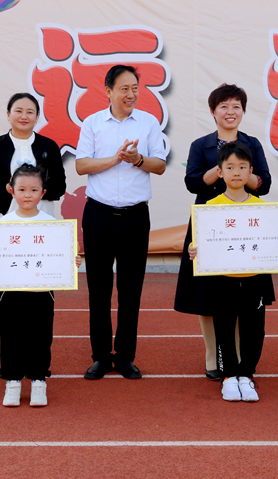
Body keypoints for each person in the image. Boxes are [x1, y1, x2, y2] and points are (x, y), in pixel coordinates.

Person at [174, 83, 271, 380]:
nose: (230, 112)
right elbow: (192, 183)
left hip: (245, 224)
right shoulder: (200, 144)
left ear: (243, 111)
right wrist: (221, 168)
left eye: (236, 107)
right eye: (224, 107)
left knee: (242, 291)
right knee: (208, 293)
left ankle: (239, 356)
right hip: (210, 222)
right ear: (213, 111)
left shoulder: (252, 143)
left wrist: (240, 171)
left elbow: (264, 184)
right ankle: (211, 353)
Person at [75, 64, 166, 380]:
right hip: (98, 215)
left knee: (131, 289)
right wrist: (115, 159)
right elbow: (81, 165)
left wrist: (138, 160)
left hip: (135, 217)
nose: (131, 94)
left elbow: (160, 165)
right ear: (108, 91)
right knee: (98, 290)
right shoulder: (93, 123)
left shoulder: (149, 123)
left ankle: (125, 355)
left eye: (135, 88)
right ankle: (100, 356)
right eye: (124, 88)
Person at [187, 142, 278, 402]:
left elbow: (273, 240)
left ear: (251, 173)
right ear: (220, 172)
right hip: (222, 281)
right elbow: (198, 244)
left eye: (242, 167)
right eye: (230, 167)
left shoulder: (264, 208)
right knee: (223, 327)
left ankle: (246, 374)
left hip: (254, 281)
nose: (236, 172)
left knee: (254, 329)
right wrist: (194, 251)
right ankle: (228, 377)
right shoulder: (210, 207)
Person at [0, 164, 82, 407]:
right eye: (22, 189)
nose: (28, 194)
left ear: (43, 192)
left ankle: (39, 380)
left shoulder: (52, 224)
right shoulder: (3, 224)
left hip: (42, 292)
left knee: (41, 336)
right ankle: (12, 381)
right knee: (11, 334)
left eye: (34, 189)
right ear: (11, 190)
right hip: (10, 292)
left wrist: (71, 260)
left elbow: (61, 254)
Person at [0, 92, 66, 220]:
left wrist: (37, 189)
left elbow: (59, 186)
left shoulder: (49, 146)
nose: (24, 117)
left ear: (37, 117)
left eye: (30, 112)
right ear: (8, 114)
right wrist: (8, 188)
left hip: (42, 218)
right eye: (18, 111)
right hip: (4, 216)